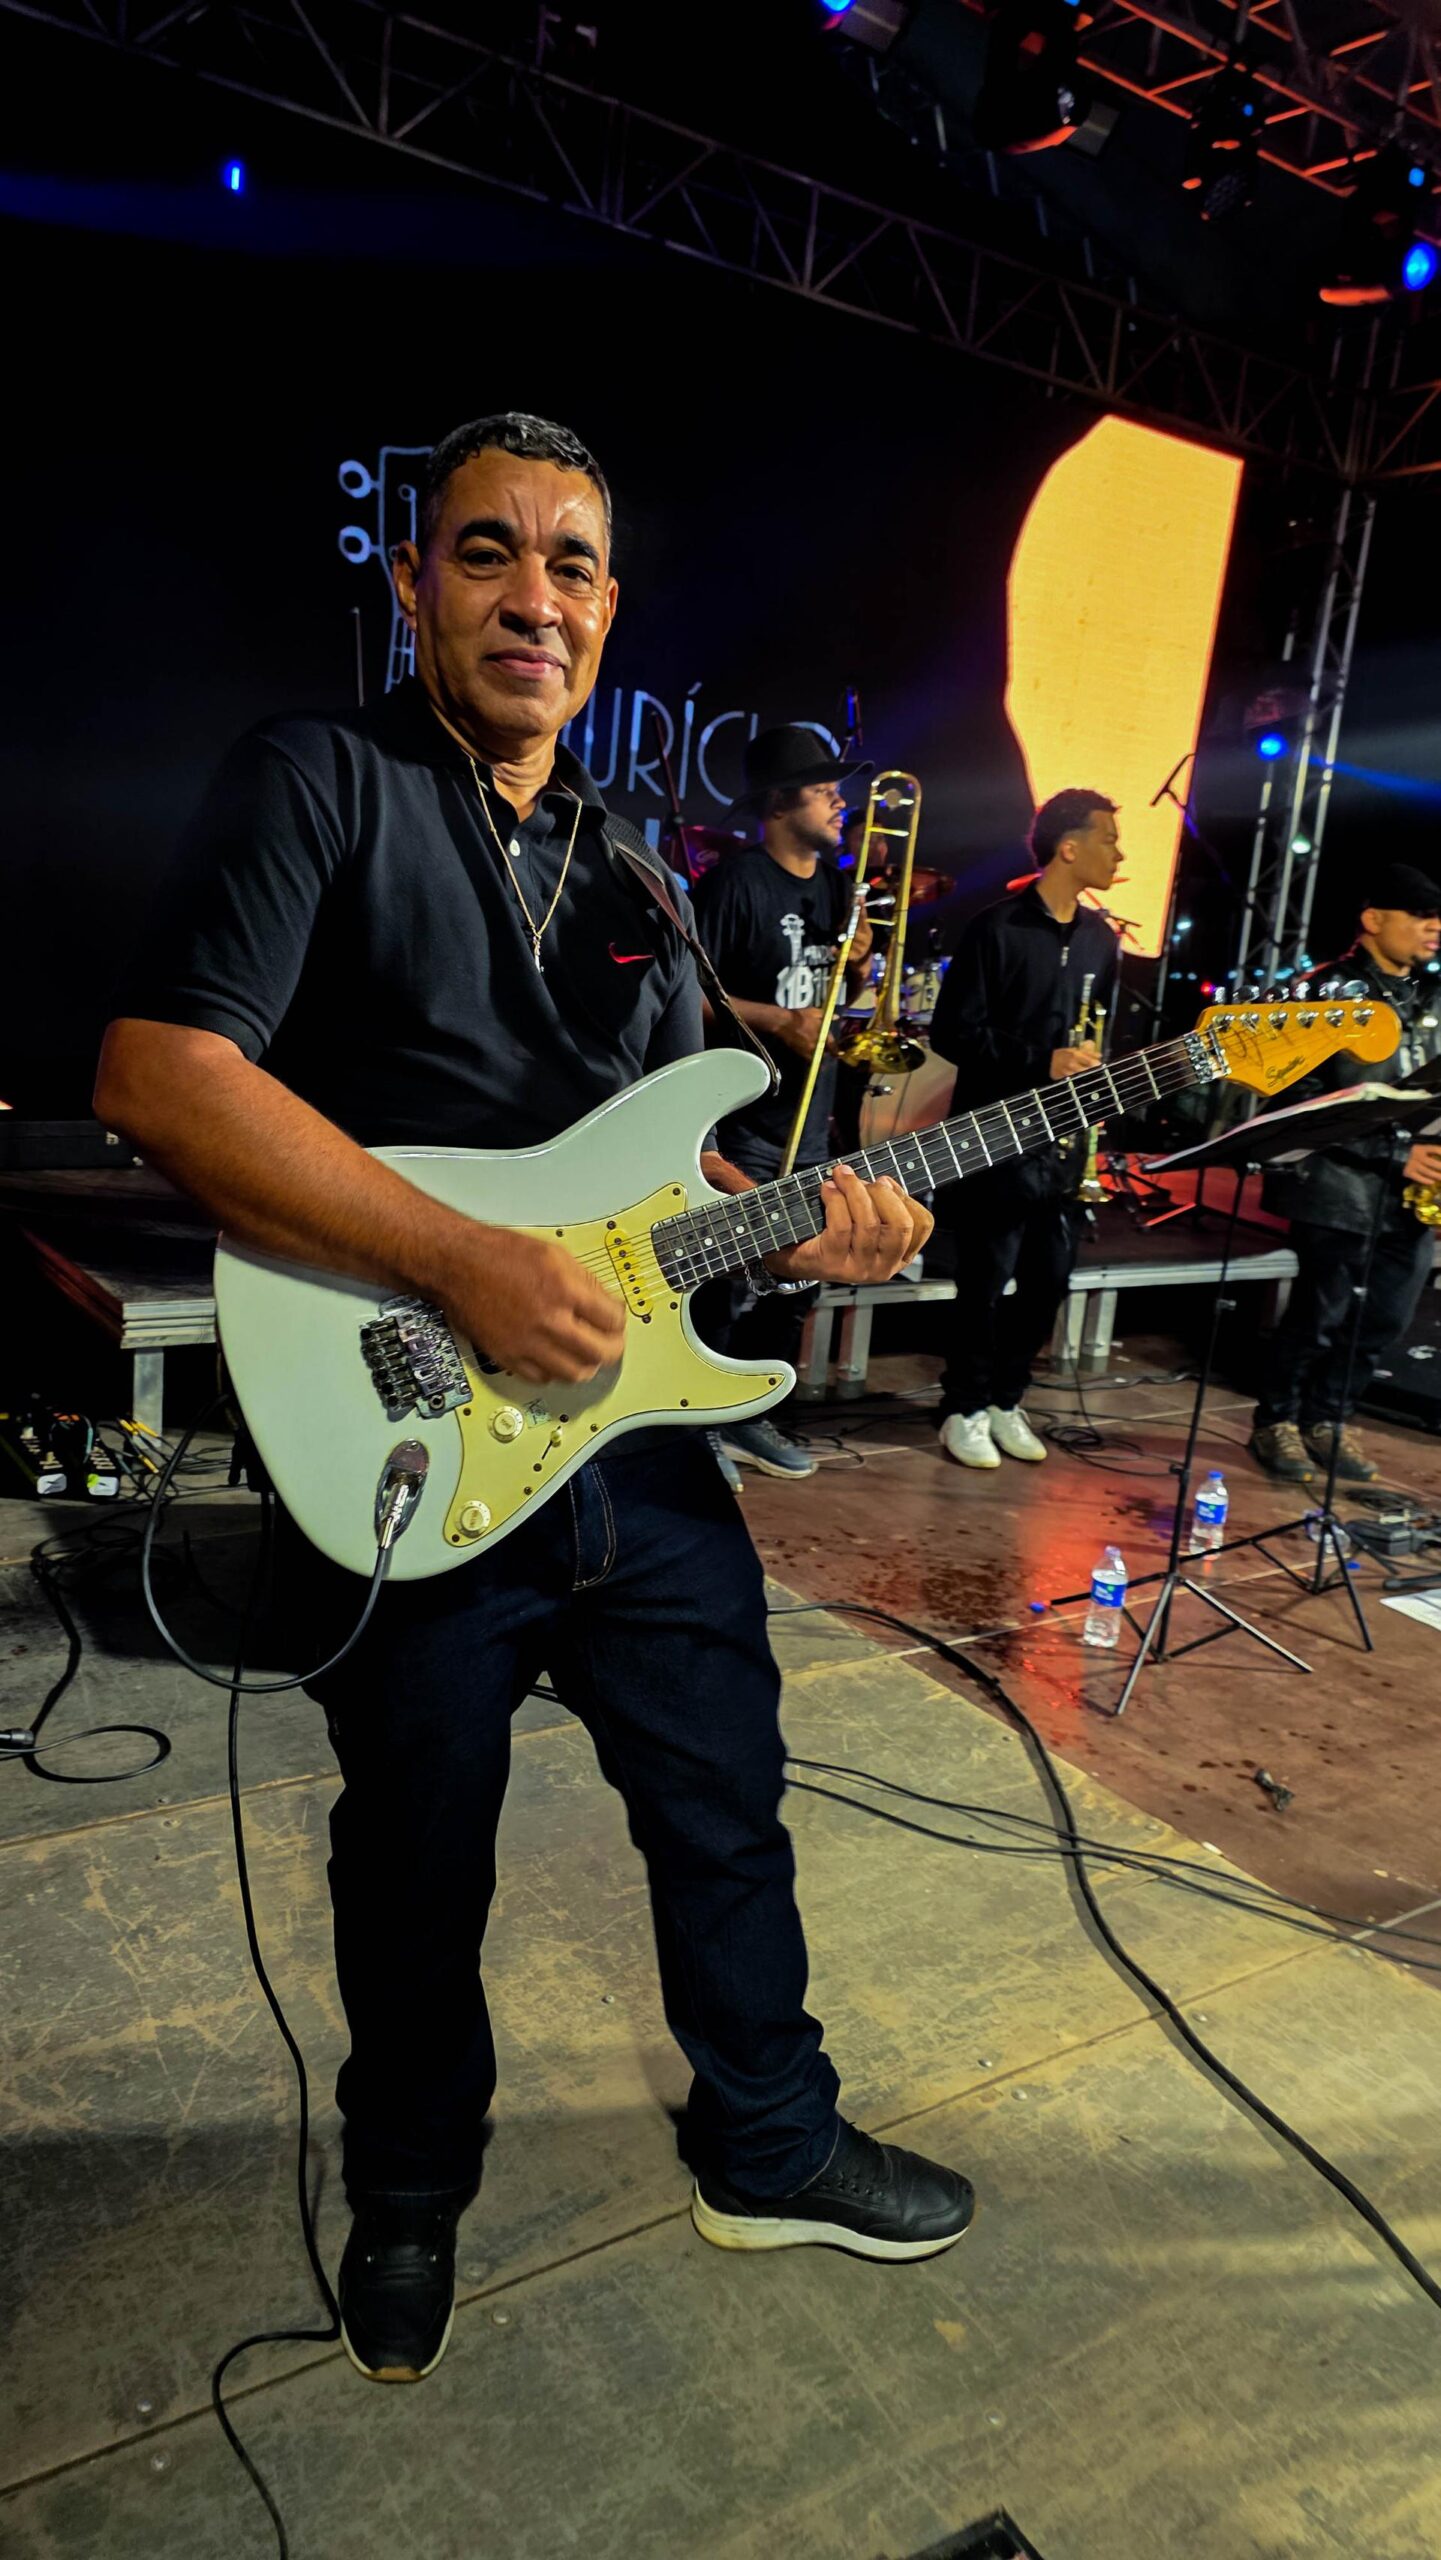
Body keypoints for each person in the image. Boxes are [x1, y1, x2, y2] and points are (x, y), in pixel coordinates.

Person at [94, 413, 972, 2390]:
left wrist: (810, 1228)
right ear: (413, 582)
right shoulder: (318, 779)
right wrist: (458, 1262)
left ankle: (768, 2141)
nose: (533, 597)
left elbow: (664, 1191)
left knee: (727, 1802)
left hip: (633, 1450)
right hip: (406, 1419)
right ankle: (408, 2193)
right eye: (486, 551)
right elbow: (160, 1073)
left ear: (608, 611)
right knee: (418, 1854)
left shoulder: (639, 871)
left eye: (571, 564)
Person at [690, 728, 873, 1481]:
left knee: (799, 1279)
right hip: (743, 1120)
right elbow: (687, 994)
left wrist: (859, 970)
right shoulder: (736, 883)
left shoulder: (836, 888)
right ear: (776, 803)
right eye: (822, 789)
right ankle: (697, 1423)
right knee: (719, 1281)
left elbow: (838, 1005)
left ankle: (749, 1413)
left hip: (810, 1116)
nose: (840, 803)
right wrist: (777, 1021)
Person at [928, 790, 1121, 1469]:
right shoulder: (997, 927)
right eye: (1107, 839)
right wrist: (1041, 1061)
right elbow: (952, 1032)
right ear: (1068, 847)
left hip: (1063, 1141)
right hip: (995, 1136)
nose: (1119, 853)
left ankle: (1006, 1399)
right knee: (984, 1282)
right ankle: (962, 1407)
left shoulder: (1102, 939)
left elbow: (1100, 1034)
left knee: (1049, 1281)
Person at [1249, 865, 1441, 1485]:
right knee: (1318, 1316)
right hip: (1337, 1188)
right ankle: (1276, 1421)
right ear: (1373, 920)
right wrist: (1394, 1153)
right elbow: (1297, 1104)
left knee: (1383, 1319)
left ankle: (1330, 1419)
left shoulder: (1430, 998)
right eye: (1420, 915)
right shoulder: (1323, 994)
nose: (1435, 927)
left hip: (1409, 1195)